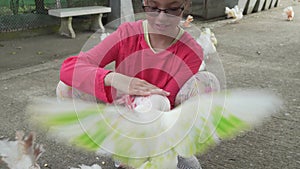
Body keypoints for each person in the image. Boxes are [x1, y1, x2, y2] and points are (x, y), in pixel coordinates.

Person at [56, 0, 220, 168]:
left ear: (185, 6)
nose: (161, 18)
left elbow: (167, 100)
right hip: (123, 117)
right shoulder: (127, 34)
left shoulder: (191, 50)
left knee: (206, 82)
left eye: (172, 9)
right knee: (66, 87)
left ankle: (173, 149)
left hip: (162, 121)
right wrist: (113, 78)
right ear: (144, 3)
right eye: (153, 8)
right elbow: (69, 68)